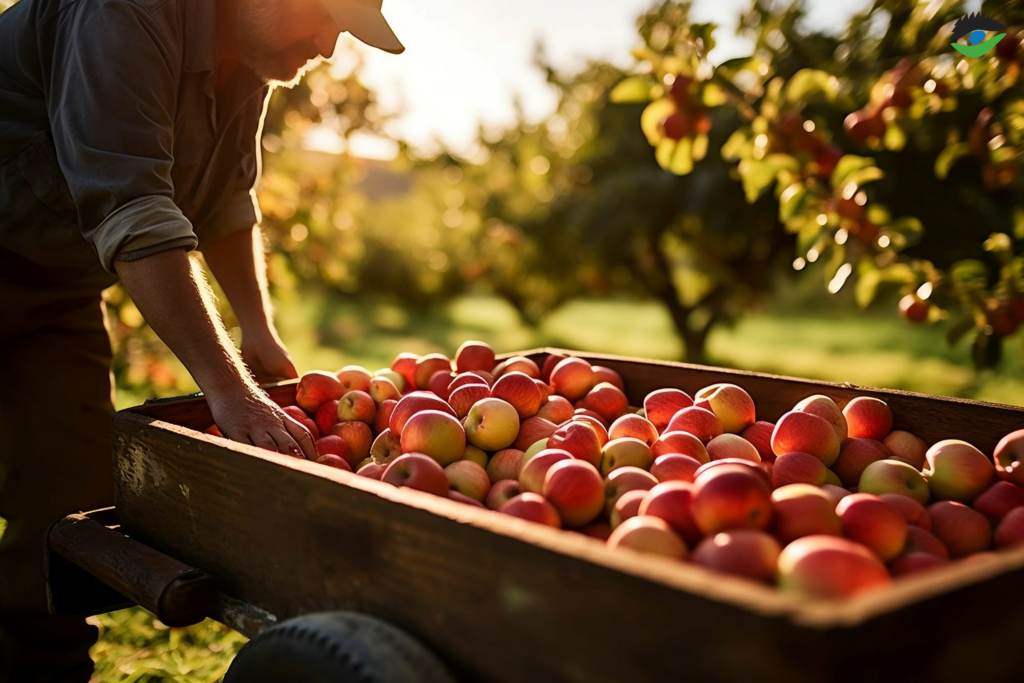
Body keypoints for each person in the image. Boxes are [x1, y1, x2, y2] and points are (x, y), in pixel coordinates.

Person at [0, 0, 403, 678]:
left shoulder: (248, 60)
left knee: (63, 491)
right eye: (326, 18)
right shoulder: (122, 12)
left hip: (53, 288)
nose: (329, 48)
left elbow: (223, 203)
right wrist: (226, 388)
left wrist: (258, 332)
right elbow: (132, 205)